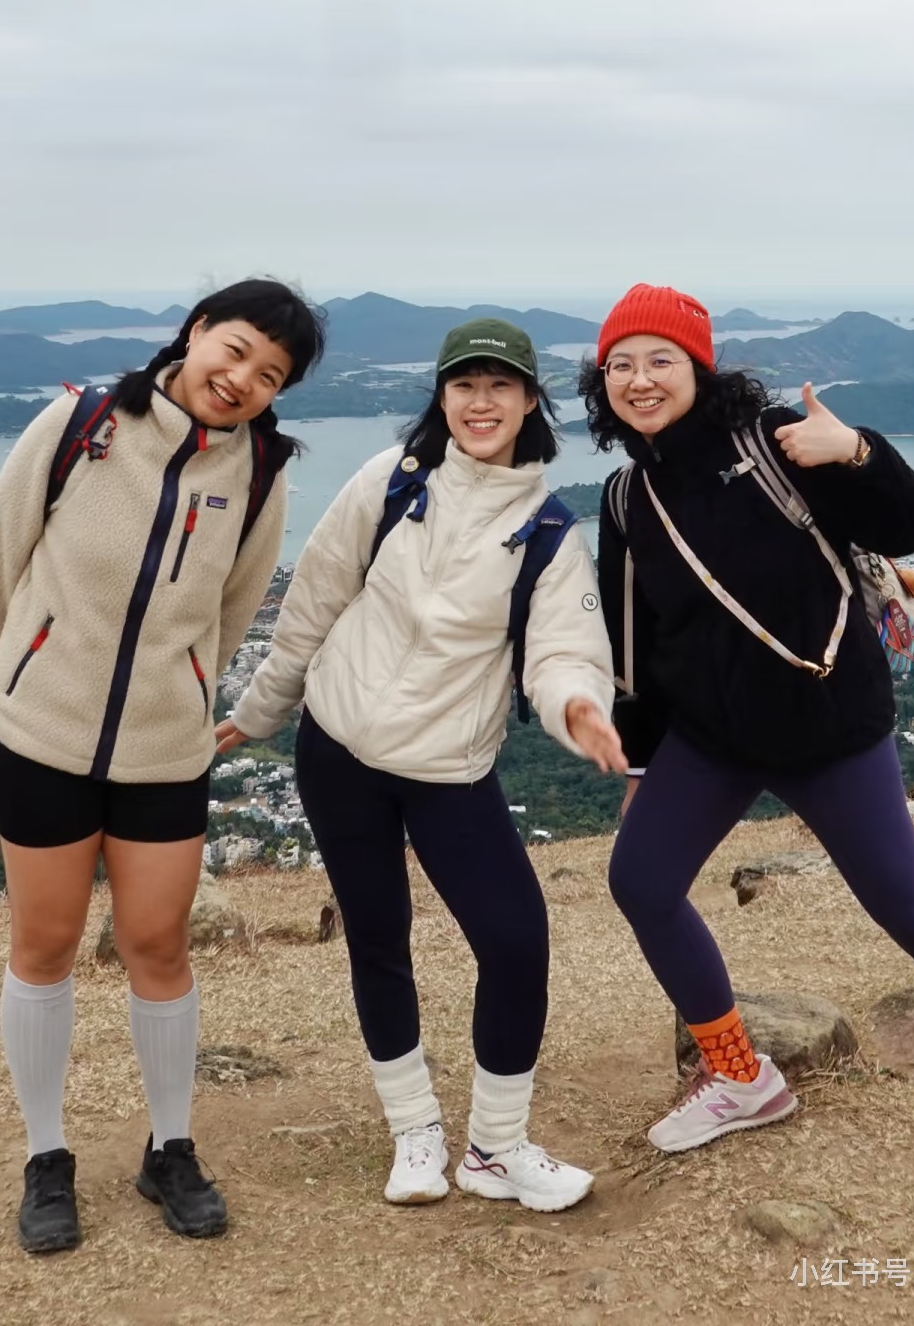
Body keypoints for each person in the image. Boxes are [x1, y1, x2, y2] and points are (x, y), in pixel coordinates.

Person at [583, 284, 914, 1197]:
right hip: (712, 738)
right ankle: (740, 1075)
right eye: (621, 364)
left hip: (830, 731)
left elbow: (907, 524)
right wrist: (643, 761)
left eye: (661, 360)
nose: (640, 379)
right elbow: (637, 646)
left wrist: (857, 451)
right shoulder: (626, 498)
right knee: (641, 883)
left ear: (699, 369)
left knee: (913, 913)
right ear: (601, 381)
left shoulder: (776, 444)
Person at [217, 319, 625, 1213]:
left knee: (515, 943)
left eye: (501, 386)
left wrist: (577, 708)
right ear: (442, 397)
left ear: (529, 403)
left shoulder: (548, 533)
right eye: (464, 385)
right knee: (377, 935)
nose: (481, 402)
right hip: (337, 747)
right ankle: (414, 1130)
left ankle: (496, 1149)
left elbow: (563, 652)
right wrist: (258, 712)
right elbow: (313, 603)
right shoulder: (391, 481)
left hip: (447, 768)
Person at [0, 279, 326, 1252]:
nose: (243, 380)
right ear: (197, 331)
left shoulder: (259, 471)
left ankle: (170, 1146)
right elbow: (1, 564)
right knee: (45, 945)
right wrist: (10, 688)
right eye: (236, 350)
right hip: (39, 735)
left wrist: (191, 690)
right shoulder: (80, 425)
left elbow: (234, 607)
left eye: (270, 375)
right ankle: (46, 1156)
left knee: (159, 945)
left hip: (166, 750)